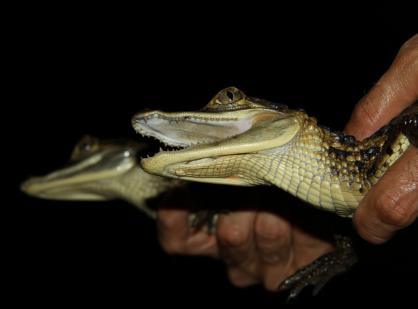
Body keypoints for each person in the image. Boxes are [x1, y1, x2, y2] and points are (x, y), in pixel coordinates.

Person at [155, 35, 418, 292]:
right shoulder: (335, 199)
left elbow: (410, 124)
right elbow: (358, 227)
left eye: (231, 100)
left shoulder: (367, 168)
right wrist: (341, 256)